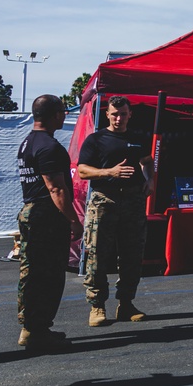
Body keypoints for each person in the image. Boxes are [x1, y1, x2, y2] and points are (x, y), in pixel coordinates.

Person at [15, 94, 84, 350]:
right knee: (49, 275)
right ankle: (37, 330)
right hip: (47, 216)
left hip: (33, 212)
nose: (65, 115)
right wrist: (74, 221)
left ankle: (31, 327)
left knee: (32, 273)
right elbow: (56, 188)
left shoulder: (27, 142)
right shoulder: (49, 147)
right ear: (56, 114)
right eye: (63, 112)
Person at [77, 96, 153, 327]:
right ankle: (97, 305)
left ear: (130, 114)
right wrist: (109, 172)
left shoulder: (138, 138)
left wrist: (150, 181)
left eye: (123, 114)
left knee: (131, 255)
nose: (119, 118)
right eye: (114, 114)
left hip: (133, 201)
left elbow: (148, 161)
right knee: (98, 254)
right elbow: (82, 170)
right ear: (107, 114)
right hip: (104, 201)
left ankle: (126, 304)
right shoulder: (96, 139)